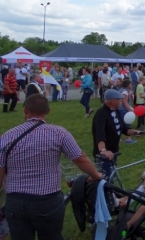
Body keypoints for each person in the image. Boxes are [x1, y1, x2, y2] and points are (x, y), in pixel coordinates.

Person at [0, 94, 102, 240]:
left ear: (25, 110)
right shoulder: (58, 133)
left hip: (15, 202)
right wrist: (96, 175)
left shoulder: (7, 136)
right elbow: (80, 159)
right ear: (48, 111)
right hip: (46, 201)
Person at [92, 89, 143, 179]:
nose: (121, 101)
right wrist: (103, 151)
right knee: (106, 180)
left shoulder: (116, 111)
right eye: (119, 100)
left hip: (114, 152)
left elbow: (124, 129)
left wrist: (134, 132)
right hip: (104, 155)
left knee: (112, 177)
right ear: (113, 101)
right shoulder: (101, 113)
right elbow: (100, 134)